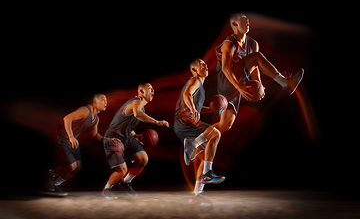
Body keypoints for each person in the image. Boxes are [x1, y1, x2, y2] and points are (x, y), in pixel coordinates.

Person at [214, 13, 304, 133]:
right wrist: (238, 86)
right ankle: (285, 83)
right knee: (257, 57)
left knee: (226, 124)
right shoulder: (229, 43)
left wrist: (259, 84)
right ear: (234, 24)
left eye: (248, 19)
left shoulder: (253, 44)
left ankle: (196, 141)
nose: (247, 21)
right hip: (227, 81)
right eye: (243, 19)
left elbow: (254, 67)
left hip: (237, 87)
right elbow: (225, 68)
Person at [102, 83, 169, 199]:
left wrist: (136, 137)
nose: (153, 90)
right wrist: (157, 122)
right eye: (150, 88)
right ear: (142, 92)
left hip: (127, 137)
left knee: (143, 159)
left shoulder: (140, 105)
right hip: (113, 139)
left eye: (153, 89)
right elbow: (138, 115)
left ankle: (125, 183)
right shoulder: (136, 102)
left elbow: (128, 126)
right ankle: (107, 189)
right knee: (122, 171)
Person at [174, 59, 225, 203]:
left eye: (205, 64)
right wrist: (192, 109)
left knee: (205, 157)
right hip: (185, 120)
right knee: (216, 134)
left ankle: (197, 194)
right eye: (201, 64)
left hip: (183, 122)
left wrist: (210, 109)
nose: (205, 65)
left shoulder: (200, 86)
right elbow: (186, 95)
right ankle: (193, 145)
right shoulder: (195, 81)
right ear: (194, 70)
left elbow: (195, 104)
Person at [45, 93, 108, 195]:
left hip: (72, 141)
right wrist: (70, 136)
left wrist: (108, 140)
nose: (105, 102)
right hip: (64, 137)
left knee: (76, 168)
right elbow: (67, 119)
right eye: (103, 99)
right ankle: (50, 173)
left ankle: (54, 184)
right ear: (95, 101)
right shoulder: (85, 111)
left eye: (106, 100)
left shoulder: (96, 119)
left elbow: (95, 135)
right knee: (71, 167)